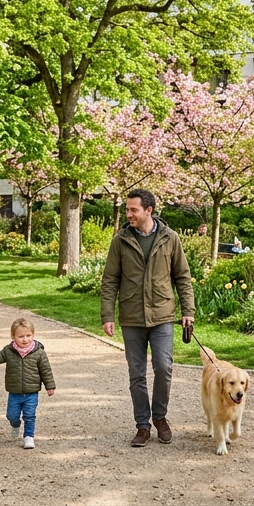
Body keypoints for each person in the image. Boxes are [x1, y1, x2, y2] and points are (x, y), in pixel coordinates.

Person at [100, 189, 195, 448]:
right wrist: (107, 315)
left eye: (133, 210)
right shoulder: (120, 240)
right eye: (128, 209)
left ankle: (160, 418)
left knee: (163, 368)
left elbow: (182, 278)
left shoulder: (170, 238)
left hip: (163, 315)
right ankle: (142, 425)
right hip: (131, 316)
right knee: (136, 374)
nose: (128, 214)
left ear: (148, 211)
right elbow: (110, 280)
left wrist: (188, 311)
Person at [0, 317, 56, 449]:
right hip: (14, 392)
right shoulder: (9, 351)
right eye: (21, 336)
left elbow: (46, 370)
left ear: (33, 335)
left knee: (29, 415)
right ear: (13, 337)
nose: (25, 339)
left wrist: (49, 386)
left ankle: (28, 437)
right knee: (12, 415)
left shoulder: (39, 352)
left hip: (31, 392)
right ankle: (15, 425)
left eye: (28, 335)